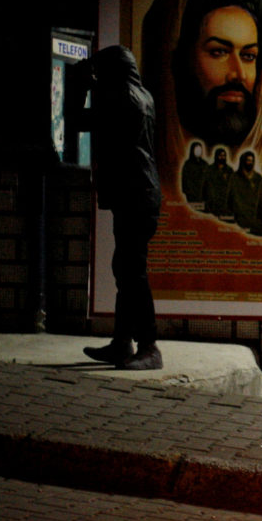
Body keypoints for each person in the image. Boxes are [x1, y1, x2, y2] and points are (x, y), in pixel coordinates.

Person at [74, 47, 164, 371]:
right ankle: (122, 342)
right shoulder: (142, 95)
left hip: (135, 195)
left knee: (132, 272)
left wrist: (84, 85)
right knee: (125, 270)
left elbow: (77, 120)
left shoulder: (120, 97)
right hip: (141, 193)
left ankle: (149, 347)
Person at [142, 0, 262, 182]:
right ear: (181, 61)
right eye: (219, 52)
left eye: (248, 56)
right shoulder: (146, 165)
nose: (238, 74)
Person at [228, 150, 262, 233]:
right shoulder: (235, 177)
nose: (250, 163)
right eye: (248, 160)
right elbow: (233, 198)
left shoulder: (258, 178)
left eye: (252, 161)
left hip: (255, 215)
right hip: (240, 216)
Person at [202, 147, 233, 217]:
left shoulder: (229, 170)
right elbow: (205, 185)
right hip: (212, 201)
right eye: (220, 155)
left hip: (225, 202)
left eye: (224, 156)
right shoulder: (210, 169)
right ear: (216, 156)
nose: (222, 157)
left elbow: (232, 186)